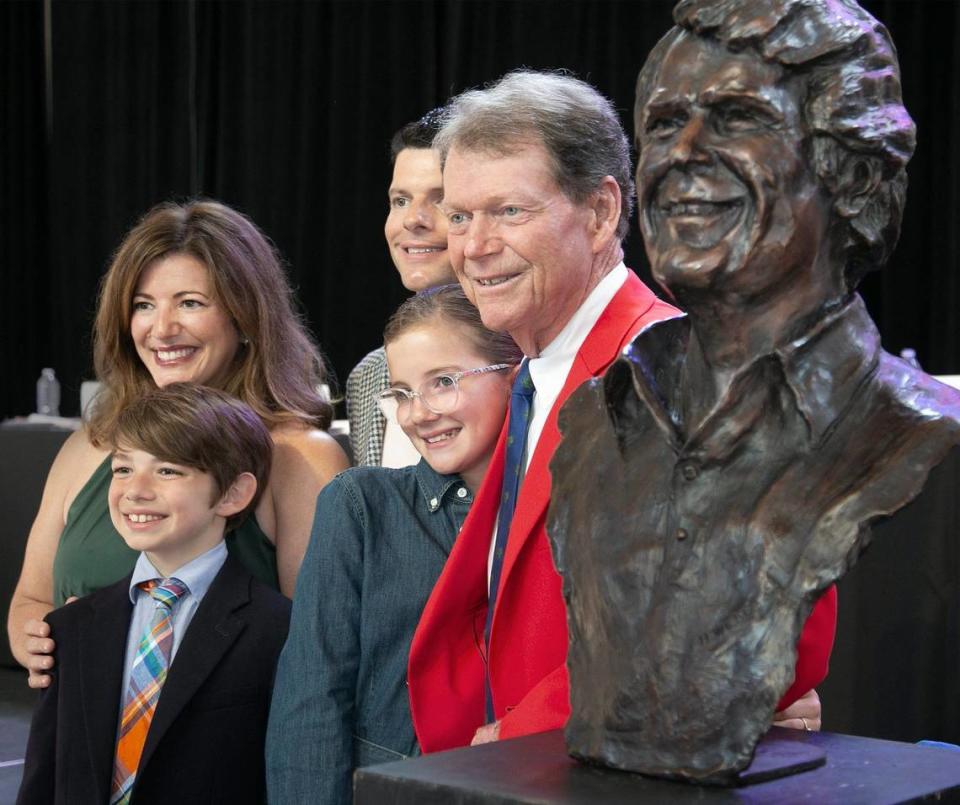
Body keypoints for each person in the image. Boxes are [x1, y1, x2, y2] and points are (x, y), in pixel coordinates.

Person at [549, 0, 959, 779]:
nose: (685, 154)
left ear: (854, 171)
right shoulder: (601, 426)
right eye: (664, 125)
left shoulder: (923, 438)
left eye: (737, 117)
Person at [407, 69, 835, 753]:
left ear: (602, 212)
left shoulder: (686, 377)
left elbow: (735, 620)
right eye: (460, 216)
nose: (474, 246)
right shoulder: (532, 376)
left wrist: (515, 738)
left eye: (508, 212)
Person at [8, 199, 349, 688]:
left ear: (245, 316)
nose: (161, 329)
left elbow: (318, 652)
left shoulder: (301, 457)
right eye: (144, 305)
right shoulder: (90, 445)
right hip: (78, 739)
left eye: (190, 303)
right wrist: (37, 638)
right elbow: (29, 600)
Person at [266, 285, 522, 803]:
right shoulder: (362, 505)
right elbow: (311, 697)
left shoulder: (556, 509)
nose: (418, 413)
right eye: (402, 393)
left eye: (443, 383)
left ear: (516, 377)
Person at [16, 384, 291, 804]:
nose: (135, 490)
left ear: (233, 493)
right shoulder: (71, 626)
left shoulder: (276, 629)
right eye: (123, 469)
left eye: (167, 471)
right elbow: (44, 778)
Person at [346, 109, 458, 468]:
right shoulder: (369, 376)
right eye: (401, 200)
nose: (412, 220)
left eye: (438, 199)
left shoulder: (525, 360)